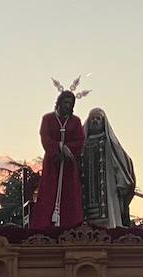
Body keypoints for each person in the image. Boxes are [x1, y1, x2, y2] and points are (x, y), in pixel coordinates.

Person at [29, 88, 86, 229]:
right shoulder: (48, 119)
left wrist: (67, 151)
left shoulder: (75, 121)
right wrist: (56, 150)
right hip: (52, 163)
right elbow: (45, 137)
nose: (68, 106)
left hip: (68, 163)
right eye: (66, 102)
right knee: (49, 191)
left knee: (70, 193)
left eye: (71, 103)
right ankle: (45, 225)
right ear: (59, 103)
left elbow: (80, 139)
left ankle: (70, 225)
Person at [81, 107, 135, 229]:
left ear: (103, 122)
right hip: (86, 189)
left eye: (98, 118)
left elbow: (120, 162)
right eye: (92, 118)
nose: (95, 121)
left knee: (109, 217)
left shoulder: (109, 143)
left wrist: (122, 182)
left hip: (107, 189)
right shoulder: (82, 144)